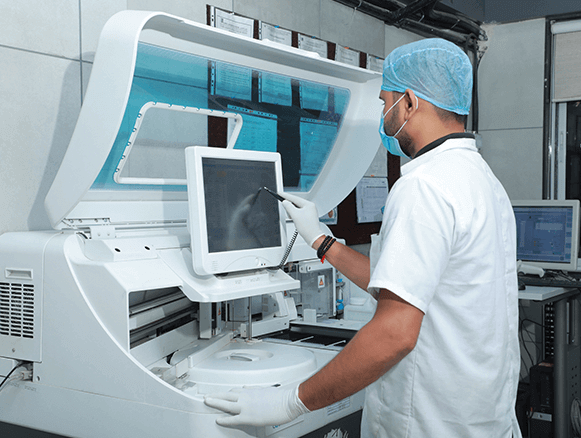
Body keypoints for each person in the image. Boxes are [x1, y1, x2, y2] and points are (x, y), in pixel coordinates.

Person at [205, 38, 522, 438]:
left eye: (384, 101)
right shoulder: (481, 180)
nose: (383, 114)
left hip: (429, 421)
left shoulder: (424, 187)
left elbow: (396, 332)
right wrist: (323, 241)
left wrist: (290, 402)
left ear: (409, 102)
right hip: (481, 416)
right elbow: (406, 285)